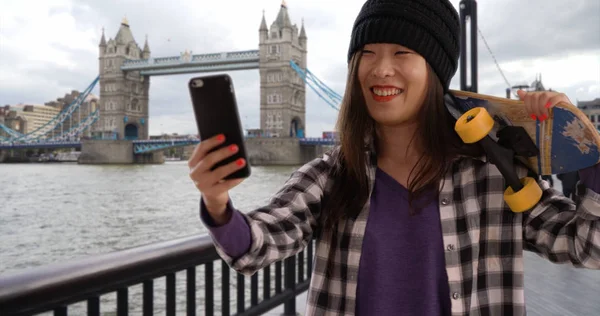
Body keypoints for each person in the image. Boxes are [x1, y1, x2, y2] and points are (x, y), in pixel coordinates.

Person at [188, 0, 600, 315]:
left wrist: (583, 144)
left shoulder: (496, 174)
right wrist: (218, 202)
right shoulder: (330, 176)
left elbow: (587, 247)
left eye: (402, 52)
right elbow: (256, 245)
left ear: (435, 70)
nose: (381, 69)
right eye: (367, 53)